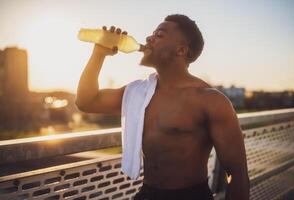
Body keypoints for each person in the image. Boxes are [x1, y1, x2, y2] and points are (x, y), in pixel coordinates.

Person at [76, 14, 249, 200]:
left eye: (159, 35)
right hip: (146, 194)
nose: (149, 39)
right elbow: (87, 101)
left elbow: (237, 174)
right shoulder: (139, 93)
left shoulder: (210, 101)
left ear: (180, 50)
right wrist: (99, 53)